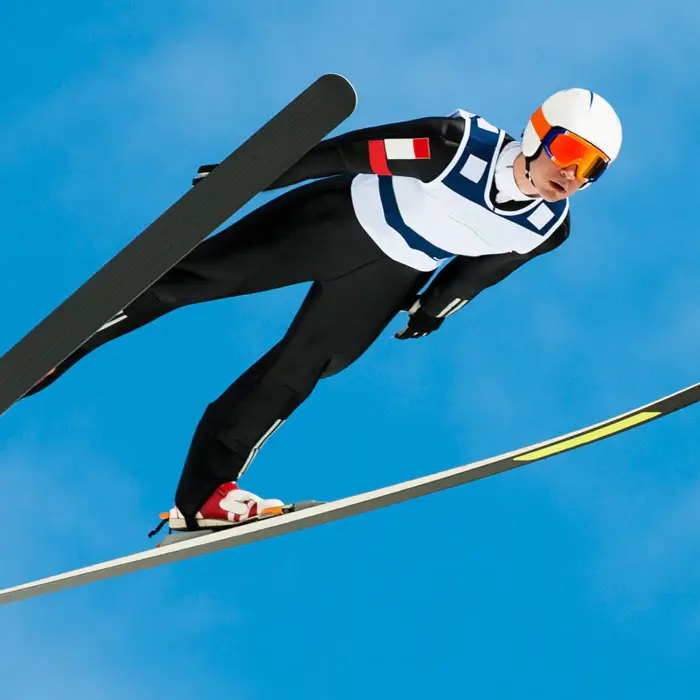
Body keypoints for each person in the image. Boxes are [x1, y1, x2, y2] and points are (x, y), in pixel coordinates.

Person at [28, 87, 623, 532]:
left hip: (390, 276)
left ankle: (205, 496)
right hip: (334, 222)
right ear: (538, 132)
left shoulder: (549, 228)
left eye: (591, 167)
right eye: (569, 150)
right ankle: (55, 353)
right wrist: (249, 179)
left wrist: (436, 308)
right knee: (190, 282)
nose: (571, 174)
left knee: (300, 370)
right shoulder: (455, 146)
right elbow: (346, 153)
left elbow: (482, 269)